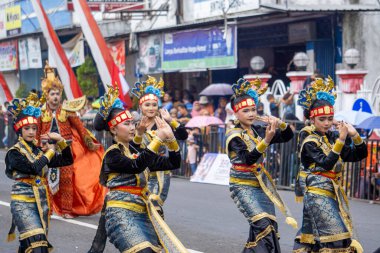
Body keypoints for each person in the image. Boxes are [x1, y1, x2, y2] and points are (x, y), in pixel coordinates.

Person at [88, 87, 188, 253]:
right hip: (120, 214)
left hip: (142, 214)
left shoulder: (137, 152)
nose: (132, 128)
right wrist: (158, 139)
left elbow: (173, 163)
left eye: (133, 123)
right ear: (113, 129)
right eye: (126, 124)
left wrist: (171, 140)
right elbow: (137, 166)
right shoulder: (112, 154)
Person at [293, 77, 367, 253]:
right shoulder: (309, 140)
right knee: (337, 238)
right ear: (312, 119)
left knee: (324, 239)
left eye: (330, 118)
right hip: (317, 193)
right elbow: (326, 164)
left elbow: (358, 154)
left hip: (332, 193)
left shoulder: (332, 137)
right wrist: (341, 138)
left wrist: (354, 134)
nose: (327, 123)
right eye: (322, 119)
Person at [226, 78, 297, 252]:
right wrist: (266, 140)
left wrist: (279, 122)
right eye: (245, 111)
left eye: (253, 109)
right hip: (242, 186)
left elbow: (287, 136)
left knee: (269, 225)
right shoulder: (234, 136)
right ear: (236, 113)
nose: (251, 113)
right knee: (262, 223)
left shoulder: (257, 130)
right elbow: (248, 159)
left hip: (261, 185)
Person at [5, 93, 73, 252]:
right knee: (38, 244)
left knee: (30, 245)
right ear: (19, 130)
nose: (31, 131)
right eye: (27, 128)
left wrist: (60, 141)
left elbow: (67, 160)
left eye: (34, 128)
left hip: (40, 203)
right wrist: (50, 152)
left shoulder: (39, 151)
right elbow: (34, 168)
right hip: (22, 203)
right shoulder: (14, 153)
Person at [37, 62, 106, 218]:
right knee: (46, 178)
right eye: (52, 94)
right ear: (47, 95)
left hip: (66, 149)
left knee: (67, 179)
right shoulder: (40, 112)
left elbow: (80, 128)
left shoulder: (68, 110)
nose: (55, 97)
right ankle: (50, 207)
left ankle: (67, 210)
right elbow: (37, 132)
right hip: (47, 149)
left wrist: (89, 143)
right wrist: (37, 147)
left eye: (57, 93)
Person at [131, 76, 188, 216]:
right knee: (141, 209)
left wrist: (171, 120)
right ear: (140, 107)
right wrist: (139, 132)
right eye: (147, 105)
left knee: (154, 204)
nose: (151, 108)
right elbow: (133, 148)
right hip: (141, 172)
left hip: (160, 173)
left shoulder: (163, 123)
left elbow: (183, 135)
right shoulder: (135, 125)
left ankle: (159, 236)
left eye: (154, 105)